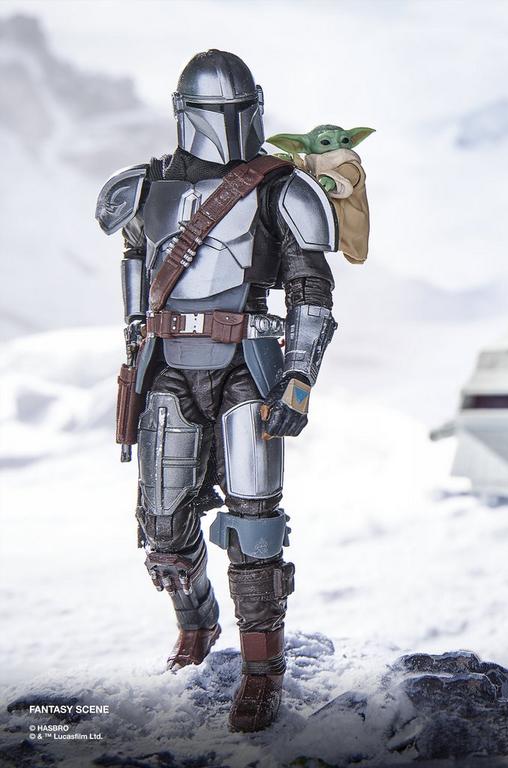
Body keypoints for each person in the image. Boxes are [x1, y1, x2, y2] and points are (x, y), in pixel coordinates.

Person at [96, 50, 338, 732]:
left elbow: (311, 292)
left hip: (246, 365)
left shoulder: (281, 188)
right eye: (217, 112)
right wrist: (136, 346)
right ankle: (197, 625)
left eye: (238, 111)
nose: (229, 123)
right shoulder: (144, 187)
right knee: (164, 529)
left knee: (256, 525)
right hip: (168, 365)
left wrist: (298, 379)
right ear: (185, 114)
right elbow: (135, 265)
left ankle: (263, 671)